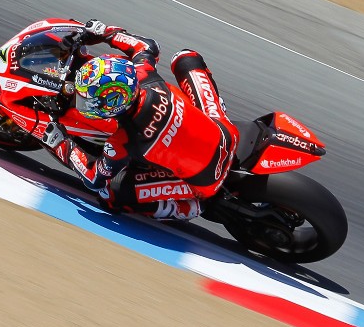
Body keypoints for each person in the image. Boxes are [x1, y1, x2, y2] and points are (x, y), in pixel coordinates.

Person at [37, 19, 240, 220]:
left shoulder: (122, 141)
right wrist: (104, 32)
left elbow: (94, 179)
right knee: (186, 57)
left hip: (205, 181)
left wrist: (61, 144)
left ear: (113, 104)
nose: (82, 102)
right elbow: (148, 46)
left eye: (86, 100)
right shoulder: (143, 75)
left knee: (110, 193)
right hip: (225, 132)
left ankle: (190, 207)